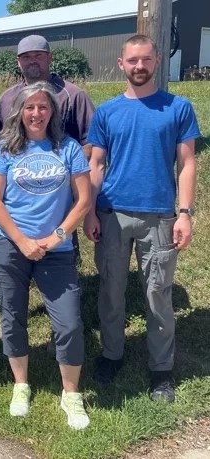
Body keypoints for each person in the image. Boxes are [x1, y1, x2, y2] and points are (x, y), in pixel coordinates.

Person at [84, 35, 200, 402]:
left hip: (160, 216)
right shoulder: (107, 112)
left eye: (145, 60)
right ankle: (112, 354)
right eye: (132, 61)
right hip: (113, 213)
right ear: (122, 64)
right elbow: (96, 164)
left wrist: (185, 214)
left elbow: (187, 164)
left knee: (157, 294)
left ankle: (161, 369)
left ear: (156, 62)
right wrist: (89, 211)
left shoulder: (178, 108)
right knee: (112, 291)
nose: (138, 67)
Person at [0, 81, 92, 430]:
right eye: (29, 107)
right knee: (12, 316)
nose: (36, 113)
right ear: (19, 111)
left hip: (56, 249)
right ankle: (21, 385)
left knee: (70, 322)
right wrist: (22, 240)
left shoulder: (69, 148)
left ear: (52, 112)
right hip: (9, 246)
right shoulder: (4, 149)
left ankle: (71, 394)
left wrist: (55, 236)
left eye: (43, 107)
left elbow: (84, 201)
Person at [0, 34, 96, 340]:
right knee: (10, 272)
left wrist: (64, 171)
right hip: (19, 193)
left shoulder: (74, 96)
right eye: (26, 57)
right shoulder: (8, 97)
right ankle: (11, 318)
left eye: (38, 56)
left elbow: (91, 143)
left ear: (49, 58)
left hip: (61, 200)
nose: (32, 61)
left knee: (60, 261)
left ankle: (60, 326)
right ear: (18, 62)